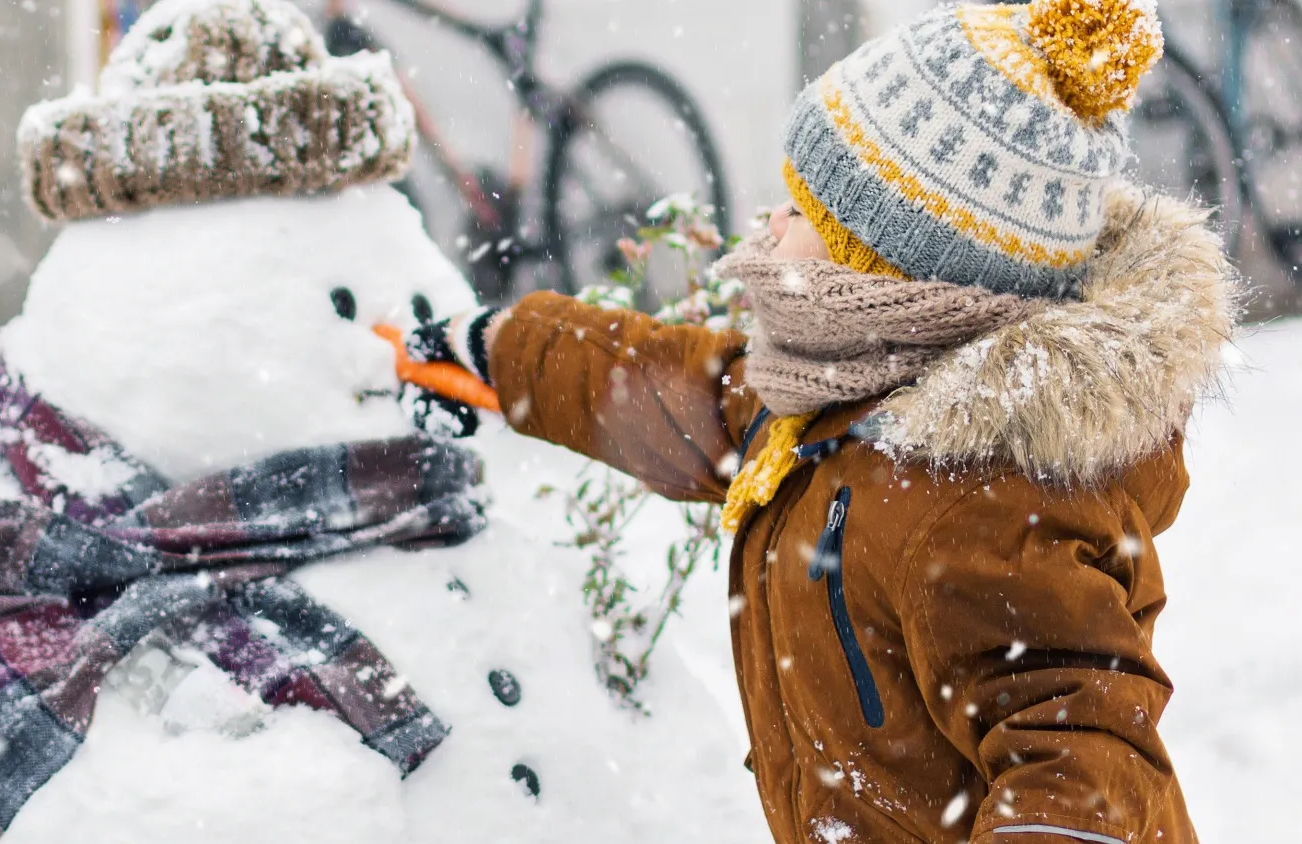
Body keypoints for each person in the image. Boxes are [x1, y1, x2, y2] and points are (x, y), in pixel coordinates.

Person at [405, 0, 1239, 841]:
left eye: (803, 212)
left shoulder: (981, 498)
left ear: (889, 263)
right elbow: (684, 392)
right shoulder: (836, 404)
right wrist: (502, 350)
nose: (770, 223)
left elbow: (1079, 750)